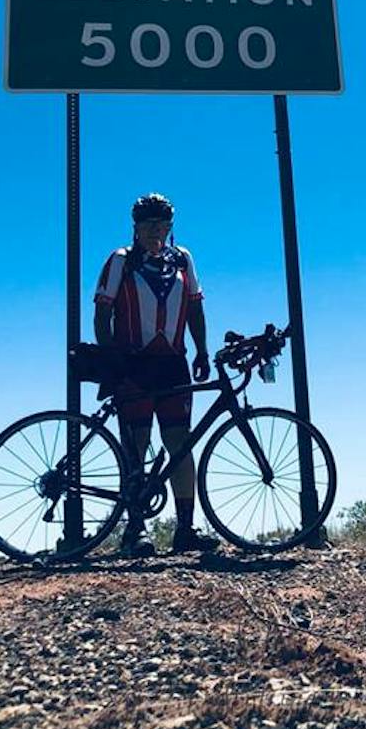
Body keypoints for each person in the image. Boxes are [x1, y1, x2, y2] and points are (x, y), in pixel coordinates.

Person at [94, 193, 219, 555]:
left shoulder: (182, 259)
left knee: (180, 443)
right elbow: (102, 314)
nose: (155, 231)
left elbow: (195, 308)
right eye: (148, 224)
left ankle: (186, 529)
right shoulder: (121, 261)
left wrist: (202, 350)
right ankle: (135, 529)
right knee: (136, 443)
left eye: (162, 224)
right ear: (135, 227)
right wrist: (111, 359)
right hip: (134, 363)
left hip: (173, 364)